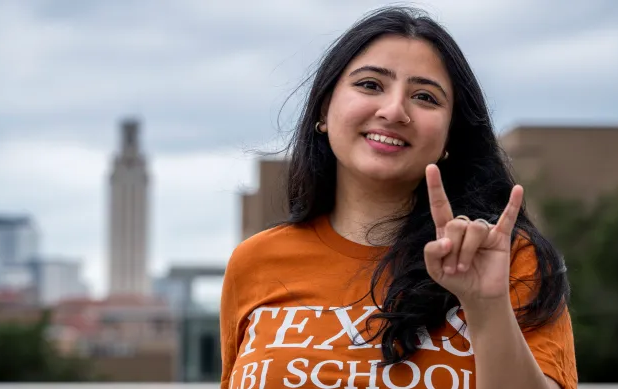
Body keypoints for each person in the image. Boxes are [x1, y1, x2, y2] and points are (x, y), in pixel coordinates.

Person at [220, 6, 577, 389]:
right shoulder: (254, 262)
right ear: (324, 109)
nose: (393, 111)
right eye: (370, 85)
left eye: (425, 96)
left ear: (449, 137)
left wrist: (486, 305)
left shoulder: (508, 260)